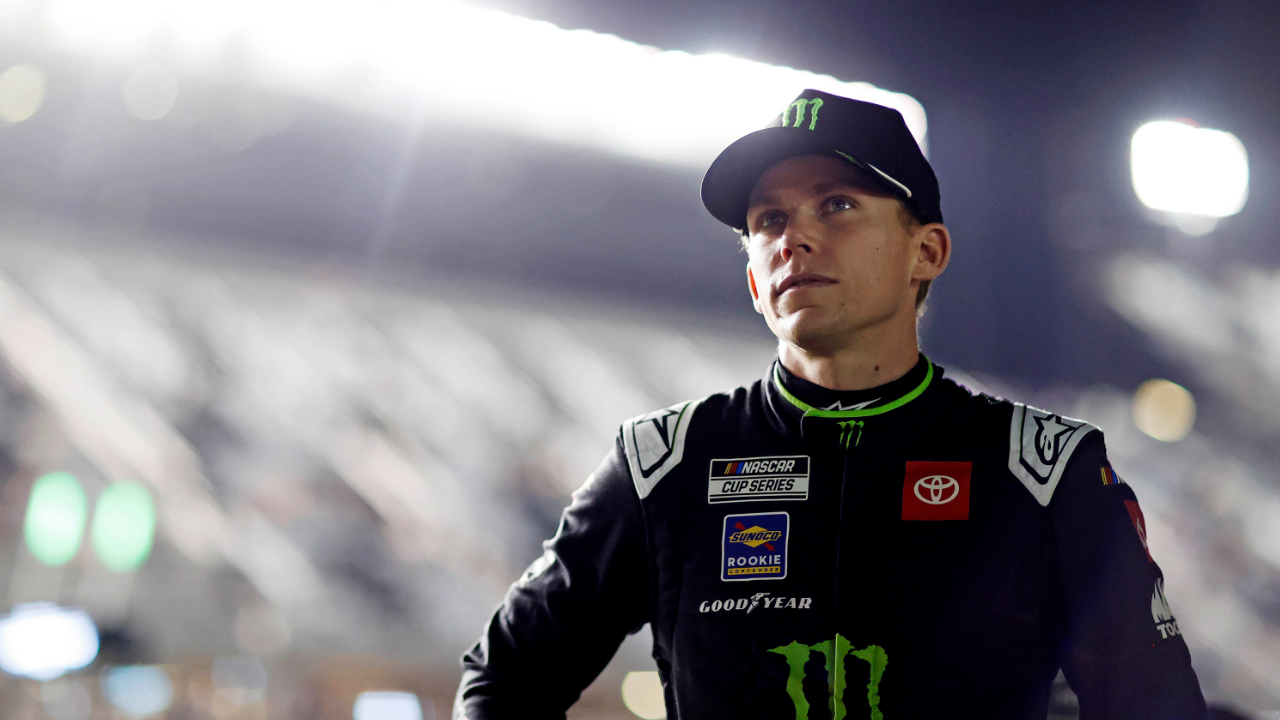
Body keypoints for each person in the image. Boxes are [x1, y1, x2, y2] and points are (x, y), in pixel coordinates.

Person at [453, 89, 1207, 719]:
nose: (794, 239)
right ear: (754, 282)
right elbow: (504, 678)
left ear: (928, 253)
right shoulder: (666, 468)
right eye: (769, 220)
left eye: (837, 205)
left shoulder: (1042, 472)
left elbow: (1156, 706)